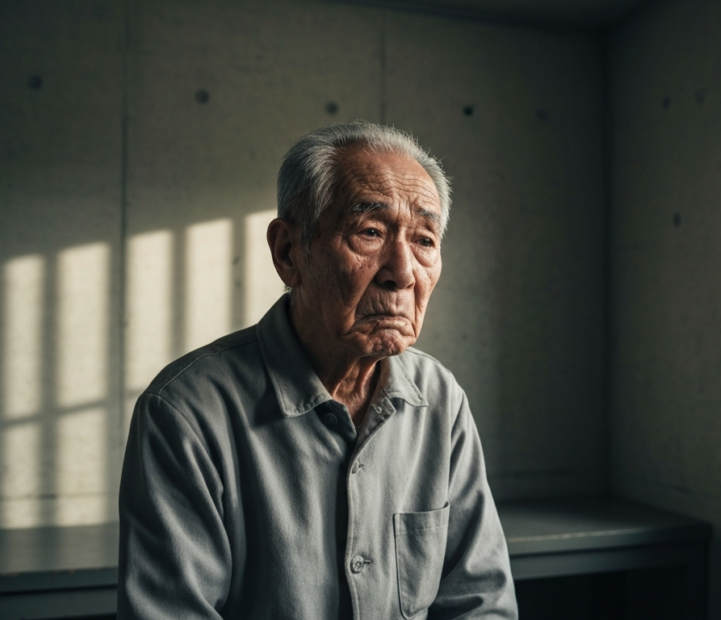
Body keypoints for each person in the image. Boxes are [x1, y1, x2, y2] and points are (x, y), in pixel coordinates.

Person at [117, 122, 518, 619]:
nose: (403, 271)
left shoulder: (440, 398)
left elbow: (481, 604)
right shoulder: (185, 413)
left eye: (424, 241)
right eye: (370, 232)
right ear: (289, 253)